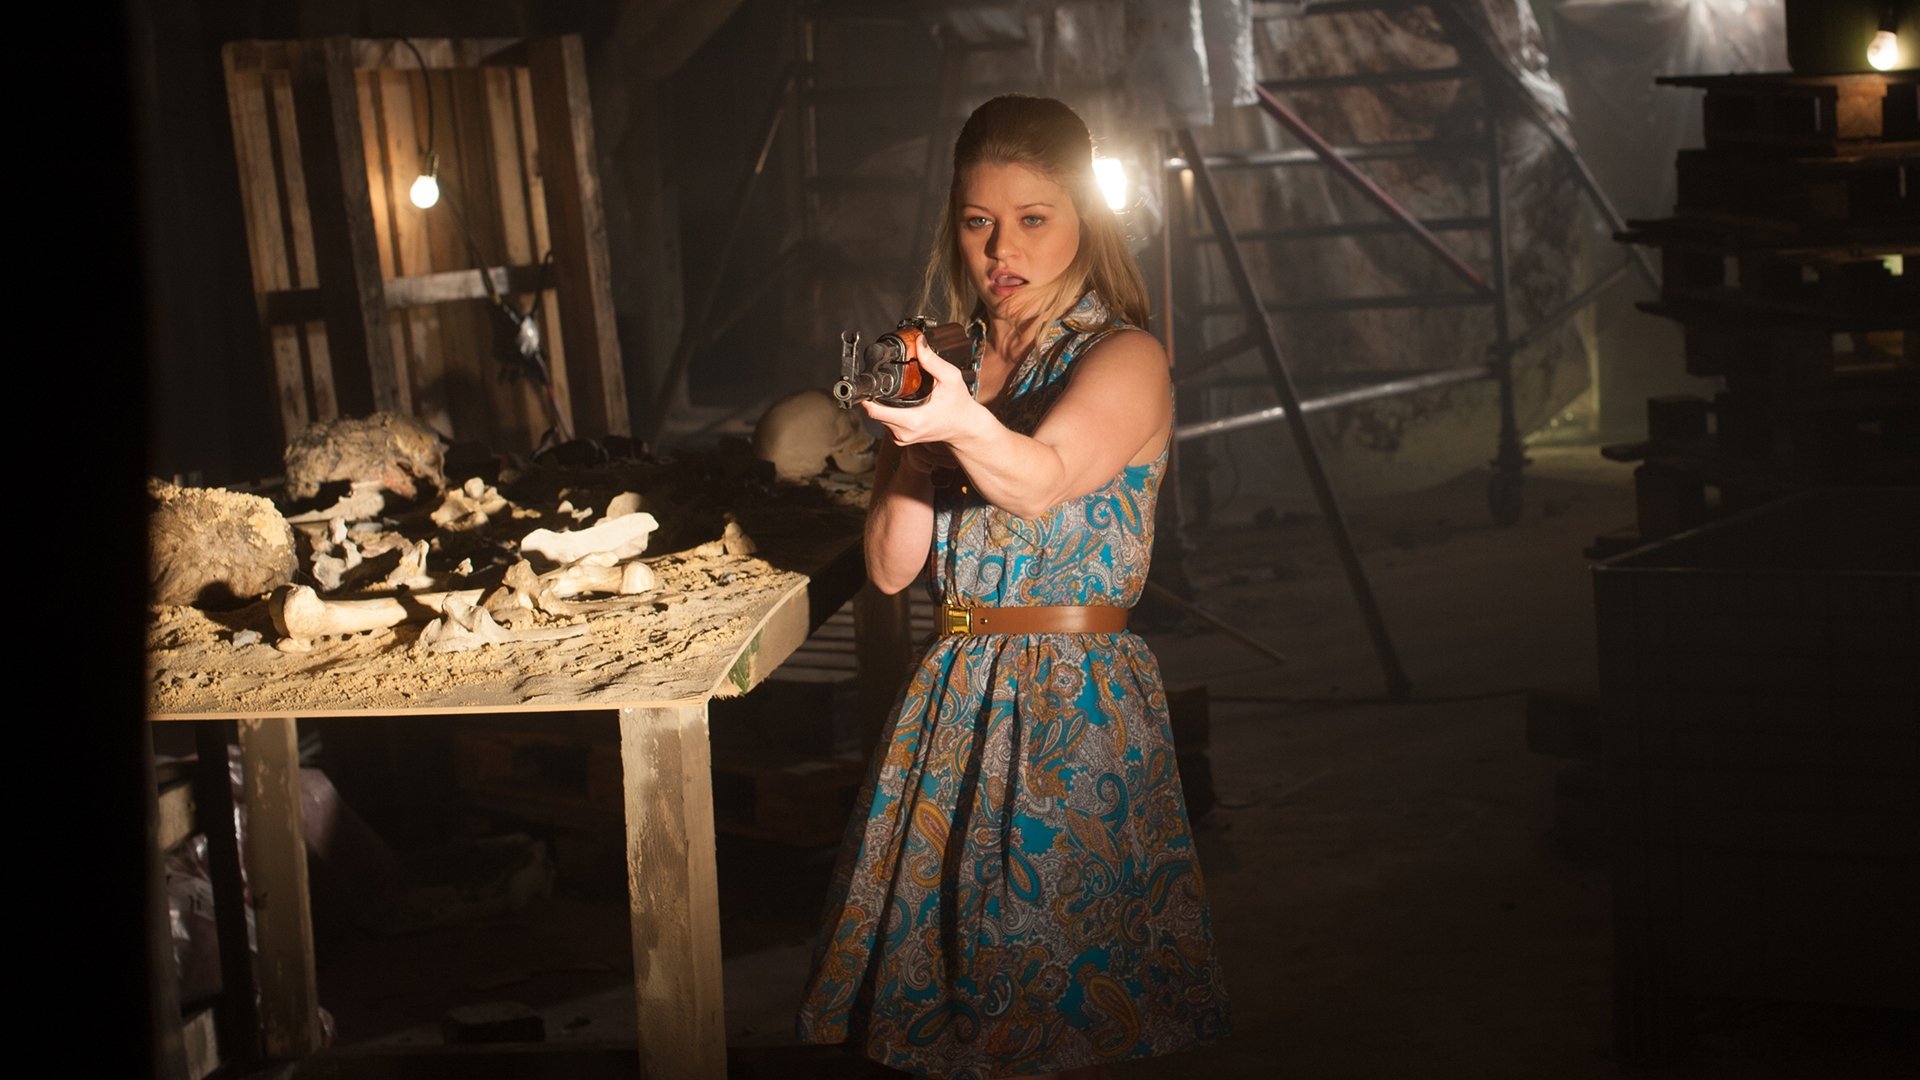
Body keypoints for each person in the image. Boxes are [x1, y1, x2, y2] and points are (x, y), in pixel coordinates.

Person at [796, 93, 1232, 1080]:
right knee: (946, 1011)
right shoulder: (954, 362)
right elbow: (891, 567)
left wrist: (956, 423)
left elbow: (1040, 482)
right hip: (953, 697)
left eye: (1034, 217)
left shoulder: (1124, 356)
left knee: (1060, 1002)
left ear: (1085, 217)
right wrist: (909, 429)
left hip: (1073, 706)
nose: (1003, 249)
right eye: (978, 220)